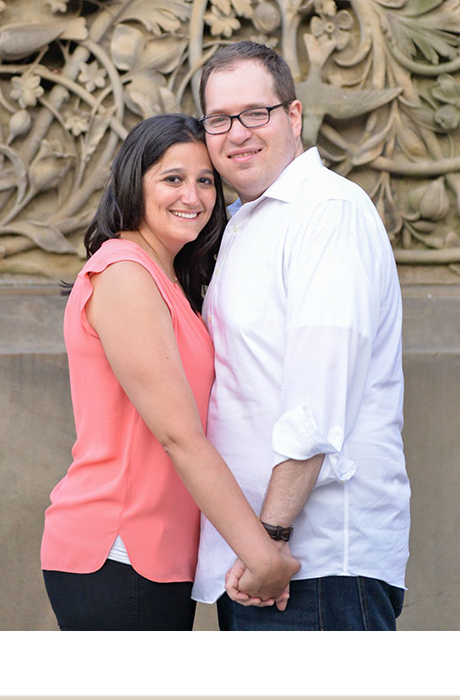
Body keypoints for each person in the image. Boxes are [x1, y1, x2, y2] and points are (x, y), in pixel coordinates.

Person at [42, 114, 299, 630]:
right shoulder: (123, 274)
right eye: (173, 178)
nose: (195, 196)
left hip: (155, 554)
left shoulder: (167, 280)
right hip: (118, 549)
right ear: (133, 184)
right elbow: (178, 436)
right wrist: (263, 554)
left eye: (206, 180)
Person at [190, 40, 410, 631]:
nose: (237, 133)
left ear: (293, 116)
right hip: (258, 562)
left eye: (255, 113)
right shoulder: (245, 221)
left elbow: (316, 398)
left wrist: (271, 539)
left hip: (312, 566)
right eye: (219, 119)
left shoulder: (326, 211)